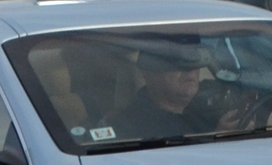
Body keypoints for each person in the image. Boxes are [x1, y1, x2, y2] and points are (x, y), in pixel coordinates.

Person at [98, 38, 228, 143]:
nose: (190, 70)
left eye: (195, 60)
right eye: (178, 62)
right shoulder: (124, 127)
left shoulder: (213, 106)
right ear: (148, 71)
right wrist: (218, 138)